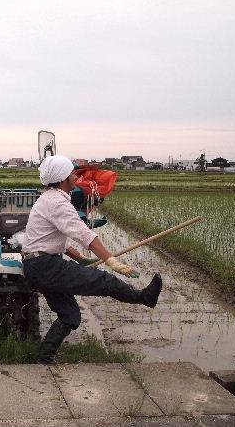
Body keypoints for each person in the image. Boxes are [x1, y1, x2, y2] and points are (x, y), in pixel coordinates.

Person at [22, 155, 162, 364]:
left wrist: (81, 260)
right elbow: (83, 234)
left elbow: (52, 241)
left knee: (70, 316)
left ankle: (44, 359)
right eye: (72, 174)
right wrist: (111, 260)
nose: (75, 177)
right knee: (103, 280)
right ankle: (143, 297)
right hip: (45, 266)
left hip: (39, 265)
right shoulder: (57, 202)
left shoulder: (49, 199)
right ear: (63, 178)